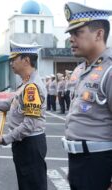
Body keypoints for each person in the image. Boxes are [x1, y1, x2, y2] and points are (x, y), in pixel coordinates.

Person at [61, 2, 112, 190]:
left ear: (99, 34)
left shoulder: (109, 70)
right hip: (79, 162)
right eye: (70, 34)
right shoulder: (82, 69)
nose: (71, 39)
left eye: (77, 33)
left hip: (99, 164)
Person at [0, 41, 47, 190]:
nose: (11, 64)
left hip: (30, 144)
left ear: (26, 60)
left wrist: (4, 139)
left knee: (32, 185)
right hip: (25, 143)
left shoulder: (31, 87)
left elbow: (29, 125)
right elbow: (10, 104)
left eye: (14, 60)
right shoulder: (25, 84)